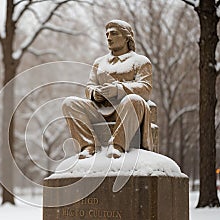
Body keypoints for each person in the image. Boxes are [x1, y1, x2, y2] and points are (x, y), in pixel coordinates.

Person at [62, 20, 153, 159]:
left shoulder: (140, 61)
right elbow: (89, 86)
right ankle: (88, 146)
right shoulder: (99, 63)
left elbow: (145, 88)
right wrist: (94, 93)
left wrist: (118, 90)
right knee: (69, 103)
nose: (109, 38)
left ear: (127, 37)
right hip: (100, 109)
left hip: (127, 109)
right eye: (107, 34)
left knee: (134, 100)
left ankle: (117, 146)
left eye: (114, 34)